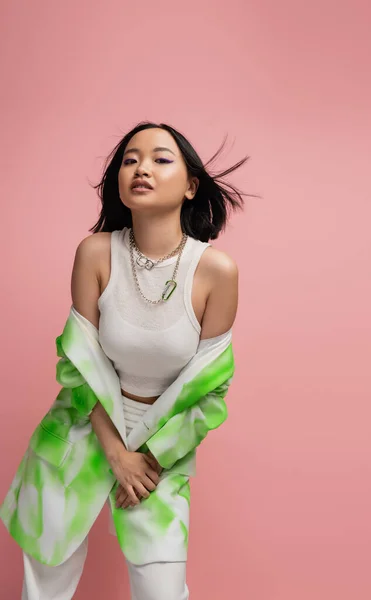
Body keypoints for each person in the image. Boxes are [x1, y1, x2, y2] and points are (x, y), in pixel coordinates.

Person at [0, 120, 252, 599]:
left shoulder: (216, 271)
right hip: (82, 426)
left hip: (162, 448)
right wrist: (116, 453)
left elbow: (213, 390)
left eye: (161, 159)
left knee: (161, 588)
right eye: (130, 159)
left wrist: (147, 459)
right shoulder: (95, 253)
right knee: (44, 585)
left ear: (191, 185)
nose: (141, 167)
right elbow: (79, 366)